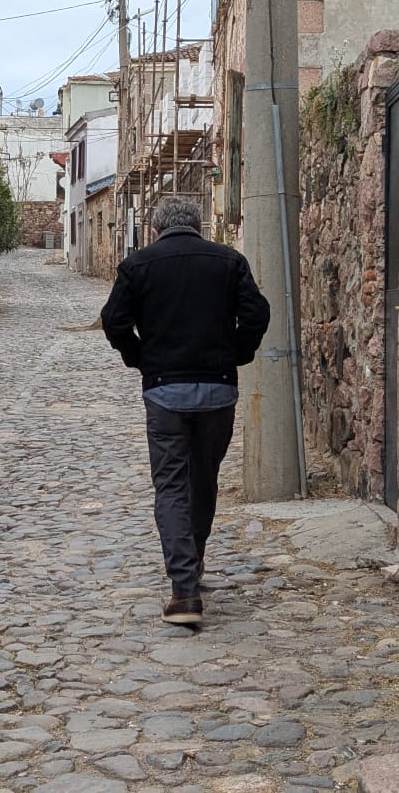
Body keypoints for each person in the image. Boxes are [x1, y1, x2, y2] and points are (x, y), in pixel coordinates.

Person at [99, 196, 271, 625]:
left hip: (164, 394)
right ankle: (192, 564)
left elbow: (114, 320)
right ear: (199, 226)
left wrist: (141, 357)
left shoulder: (139, 265)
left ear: (156, 228)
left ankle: (184, 591)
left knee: (172, 486)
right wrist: (236, 353)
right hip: (218, 393)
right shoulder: (229, 261)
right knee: (203, 480)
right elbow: (257, 314)